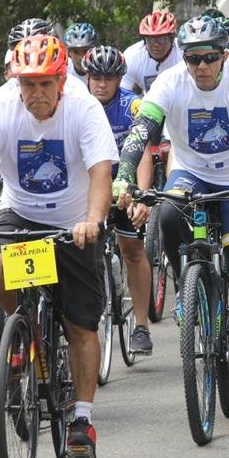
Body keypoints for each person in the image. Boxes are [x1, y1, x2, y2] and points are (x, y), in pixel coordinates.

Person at [0, 35, 117, 458]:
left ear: (61, 80)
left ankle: (81, 418)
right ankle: (19, 332)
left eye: (44, 84)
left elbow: (100, 173)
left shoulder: (84, 109)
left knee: (80, 326)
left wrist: (93, 221)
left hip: (74, 225)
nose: (36, 93)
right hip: (21, 215)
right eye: (28, 84)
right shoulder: (1, 109)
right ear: (16, 83)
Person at [113, 16, 229, 388]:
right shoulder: (171, 82)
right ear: (183, 59)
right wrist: (124, 174)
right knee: (169, 213)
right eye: (193, 59)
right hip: (192, 172)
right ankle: (186, 284)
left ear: (224, 56)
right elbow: (142, 131)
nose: (202, 66)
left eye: (210, 57)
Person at [83, 46, 156, 355]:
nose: (102, 84)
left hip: (124, 185)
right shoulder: (74, 104)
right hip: (89, 186)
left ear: (119, 80)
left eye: (109, 78)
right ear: (86, 77)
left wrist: (141, 197)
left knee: (133, 250)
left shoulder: (132, 106)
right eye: (96, 77)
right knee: (84, 250)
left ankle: (141, 325)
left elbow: (142, 156)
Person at [122, 11, 181, 95]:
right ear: (144, 40)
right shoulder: (132, 56)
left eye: (162, 39)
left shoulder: (183, 53)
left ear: (172, 39)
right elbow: (123, 92)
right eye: (150, 40)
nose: (156, 45)